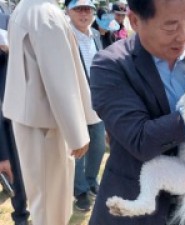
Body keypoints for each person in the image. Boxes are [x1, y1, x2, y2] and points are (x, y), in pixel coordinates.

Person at [88, 0, 185, 224]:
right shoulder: (111, 66)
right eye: (170, 26)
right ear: (135, 20)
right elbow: (141, 140)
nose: (183, 36)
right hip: (139, 209)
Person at [2, 0, 101, 224]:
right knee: (51, 206)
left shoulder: (27, 8)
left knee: (44, 202)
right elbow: (60, 80)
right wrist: (77, 134)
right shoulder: (45, 14)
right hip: (47, 124)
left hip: (34, 118)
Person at [65, 0, 106, 212]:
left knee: (98, 145)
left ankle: (91, 181)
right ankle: (80, 191)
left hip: (97, 101)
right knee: (78, 148)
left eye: (88, 9)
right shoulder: (65, 36)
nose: (84, 14)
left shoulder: (96, 35)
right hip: (75, 100)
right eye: (78, 9)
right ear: (68, 11)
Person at [0, 13, 30, 225]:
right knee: (9, 164)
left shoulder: (11, 19)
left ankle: (23, 214)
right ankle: (20, 215)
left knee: (21, 166)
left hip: (18, 105)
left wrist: (11, 52)